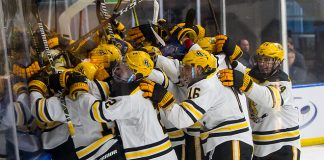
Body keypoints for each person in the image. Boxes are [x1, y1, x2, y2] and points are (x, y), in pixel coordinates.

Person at [140, 49, 253, 160]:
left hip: (230, 141)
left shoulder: (204, 85)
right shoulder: (212, 77)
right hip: (228, 140)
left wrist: (162, 97)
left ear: (199, 69)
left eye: (187, 67)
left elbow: (182, 118)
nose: (183, 71)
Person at [74, 51, 178, 160]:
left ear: (134, 72)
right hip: (162, 152)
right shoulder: (146, 86)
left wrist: (81, 92)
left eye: (125, 65)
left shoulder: (130, 97)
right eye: (121, 62)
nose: (118, 67)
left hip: (150, 156)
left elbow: (98, 112)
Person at [219, 42, 301, 160]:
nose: (262, 64)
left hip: (284, 147)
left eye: (268, 60)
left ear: (278, 61)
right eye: (261, 59)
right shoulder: (255, 76)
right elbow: (242, 70)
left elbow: (269, 98)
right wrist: (229, 52)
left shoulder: (283, 83)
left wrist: (244, 83)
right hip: (259, 147)